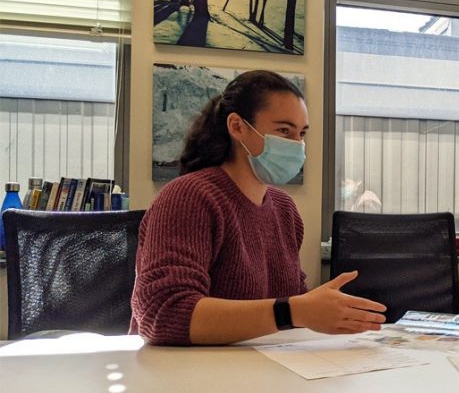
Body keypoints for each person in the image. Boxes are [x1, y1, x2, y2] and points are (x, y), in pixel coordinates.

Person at [131, 70, 386, 345]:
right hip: (185, 377)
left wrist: (320, 311)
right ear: (237, 126)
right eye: (284, 131)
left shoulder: (284, 209)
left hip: (259, 371)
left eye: (301, 133)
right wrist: (295, 311)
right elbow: (163, 314)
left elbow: (292, 308)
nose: (297, 145)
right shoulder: (188, 197)